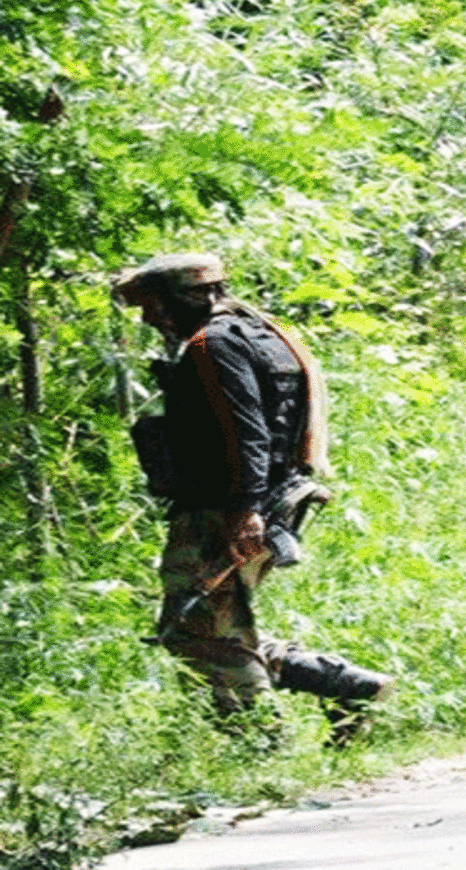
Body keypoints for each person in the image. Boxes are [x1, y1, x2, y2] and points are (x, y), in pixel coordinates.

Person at [113, 253, 393, 746]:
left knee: (198, 633)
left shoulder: (213, 345)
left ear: (175, 300)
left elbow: (247, 432)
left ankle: (261, 747)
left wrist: (244, 512)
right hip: (263, 502)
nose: (147, 319)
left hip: (227, 509)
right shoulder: (259, 335)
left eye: (151, 306)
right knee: (216, 628)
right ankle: (345, 686)